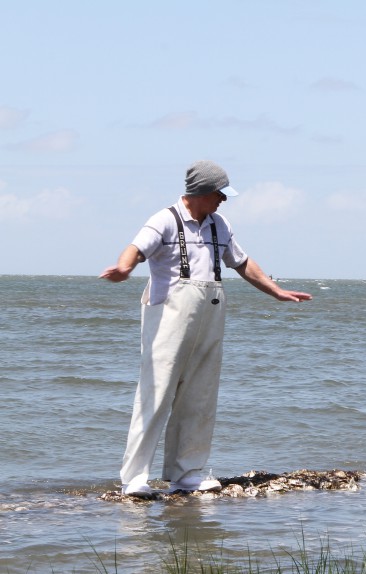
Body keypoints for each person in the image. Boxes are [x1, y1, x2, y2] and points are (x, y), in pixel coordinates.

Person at [100, 160, 312, 496]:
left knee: (200, 396)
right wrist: (124, 269)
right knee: (155, 395)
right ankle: (135, 479)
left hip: (209, 317)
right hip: (168, 316)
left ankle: (187, 473)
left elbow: (242, 262)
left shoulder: (219, 224)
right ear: (201, 191)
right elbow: (136, 249)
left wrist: (276, 291)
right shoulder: (165, 219)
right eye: (219, 193)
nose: (223, 200)